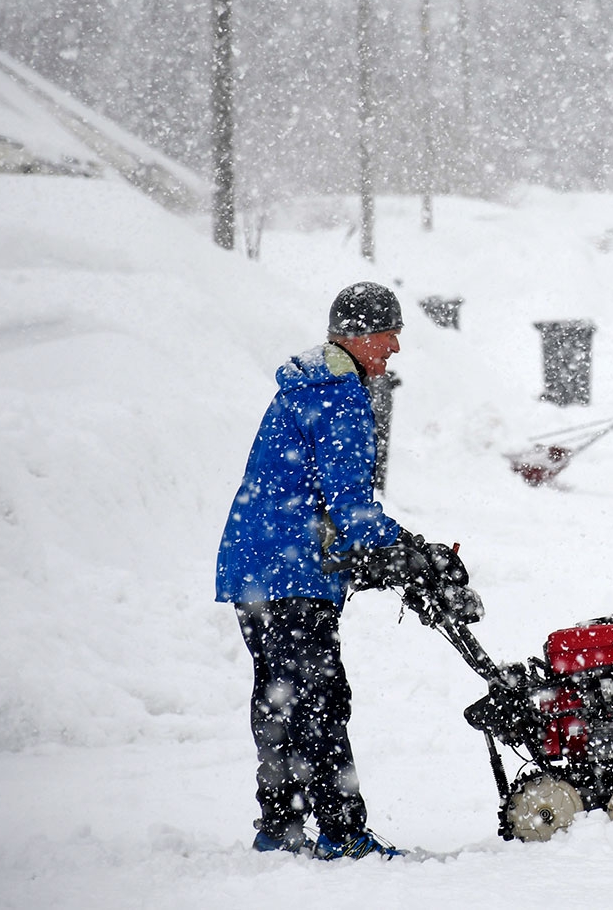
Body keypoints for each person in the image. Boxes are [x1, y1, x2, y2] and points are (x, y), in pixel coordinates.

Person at [216, 281, 455, 860]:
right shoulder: (339, 395)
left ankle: (281, 825)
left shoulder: (302, 387)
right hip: (292, 570)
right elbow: (349, 505)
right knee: (320, 699)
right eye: (391, 332)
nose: (396, 346)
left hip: (255, 564)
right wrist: (412, 551)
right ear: (362, 336)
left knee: (280, 697)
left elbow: (311, 494)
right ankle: (342, 834)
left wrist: (387, 550)